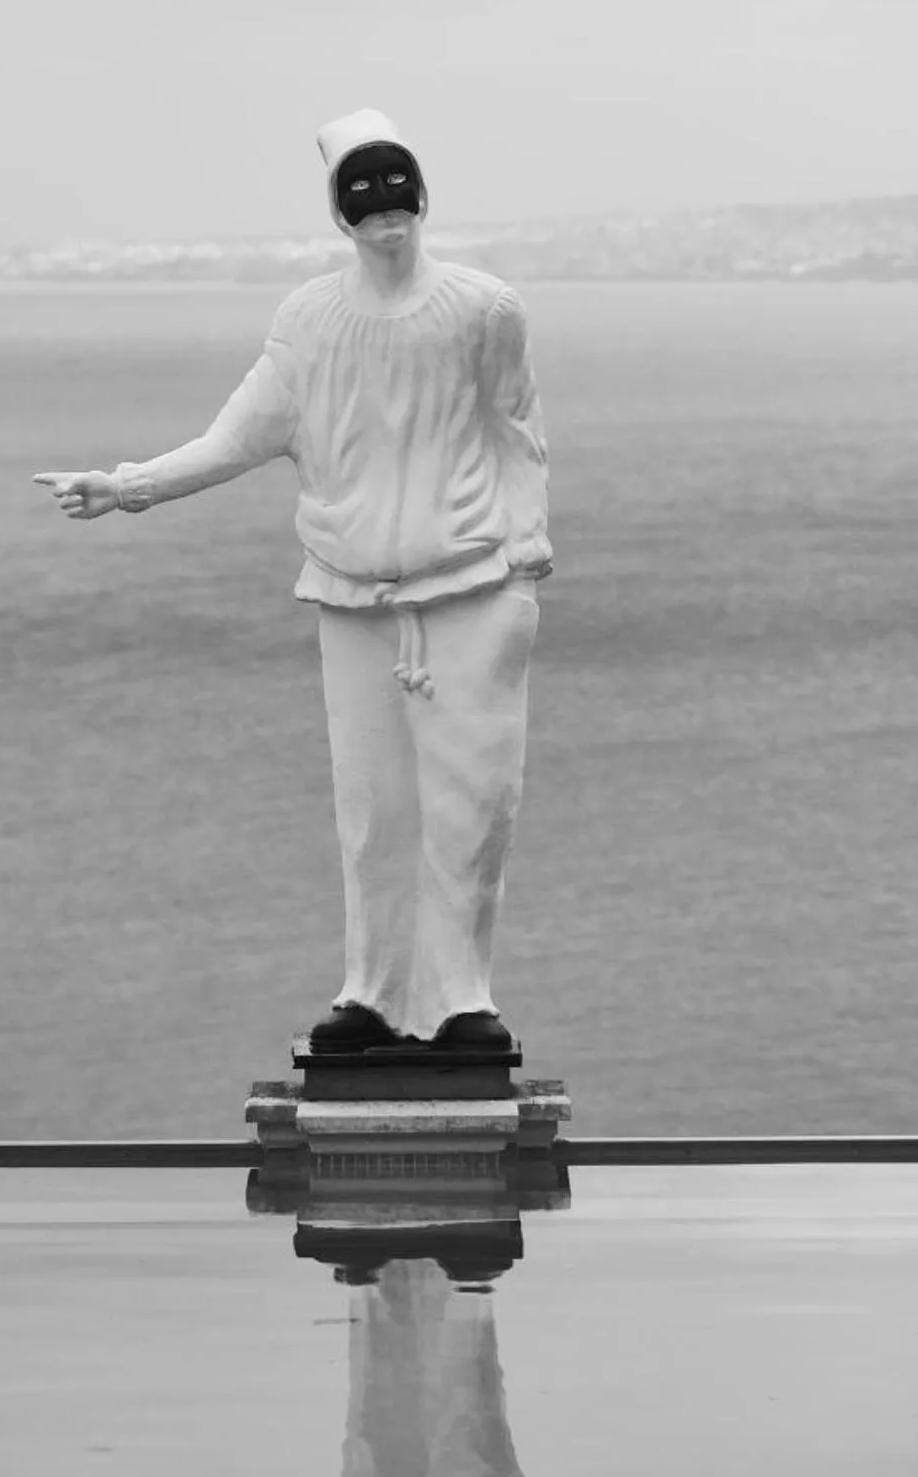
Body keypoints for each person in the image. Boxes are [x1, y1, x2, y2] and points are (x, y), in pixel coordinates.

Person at [33, 107, 552, 1054]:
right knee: (372, 809)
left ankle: (460, 999)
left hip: (473, 586)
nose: (385, 212)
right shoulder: (308, 322)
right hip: (353, 596)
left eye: (397, 189)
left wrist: (524, 554)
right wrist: (126, 486)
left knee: (472, 805)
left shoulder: (486, 309)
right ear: (338, 216)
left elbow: (517, 434)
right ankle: (377, 993)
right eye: (363, 196)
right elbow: (239, 436)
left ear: (423, 197)